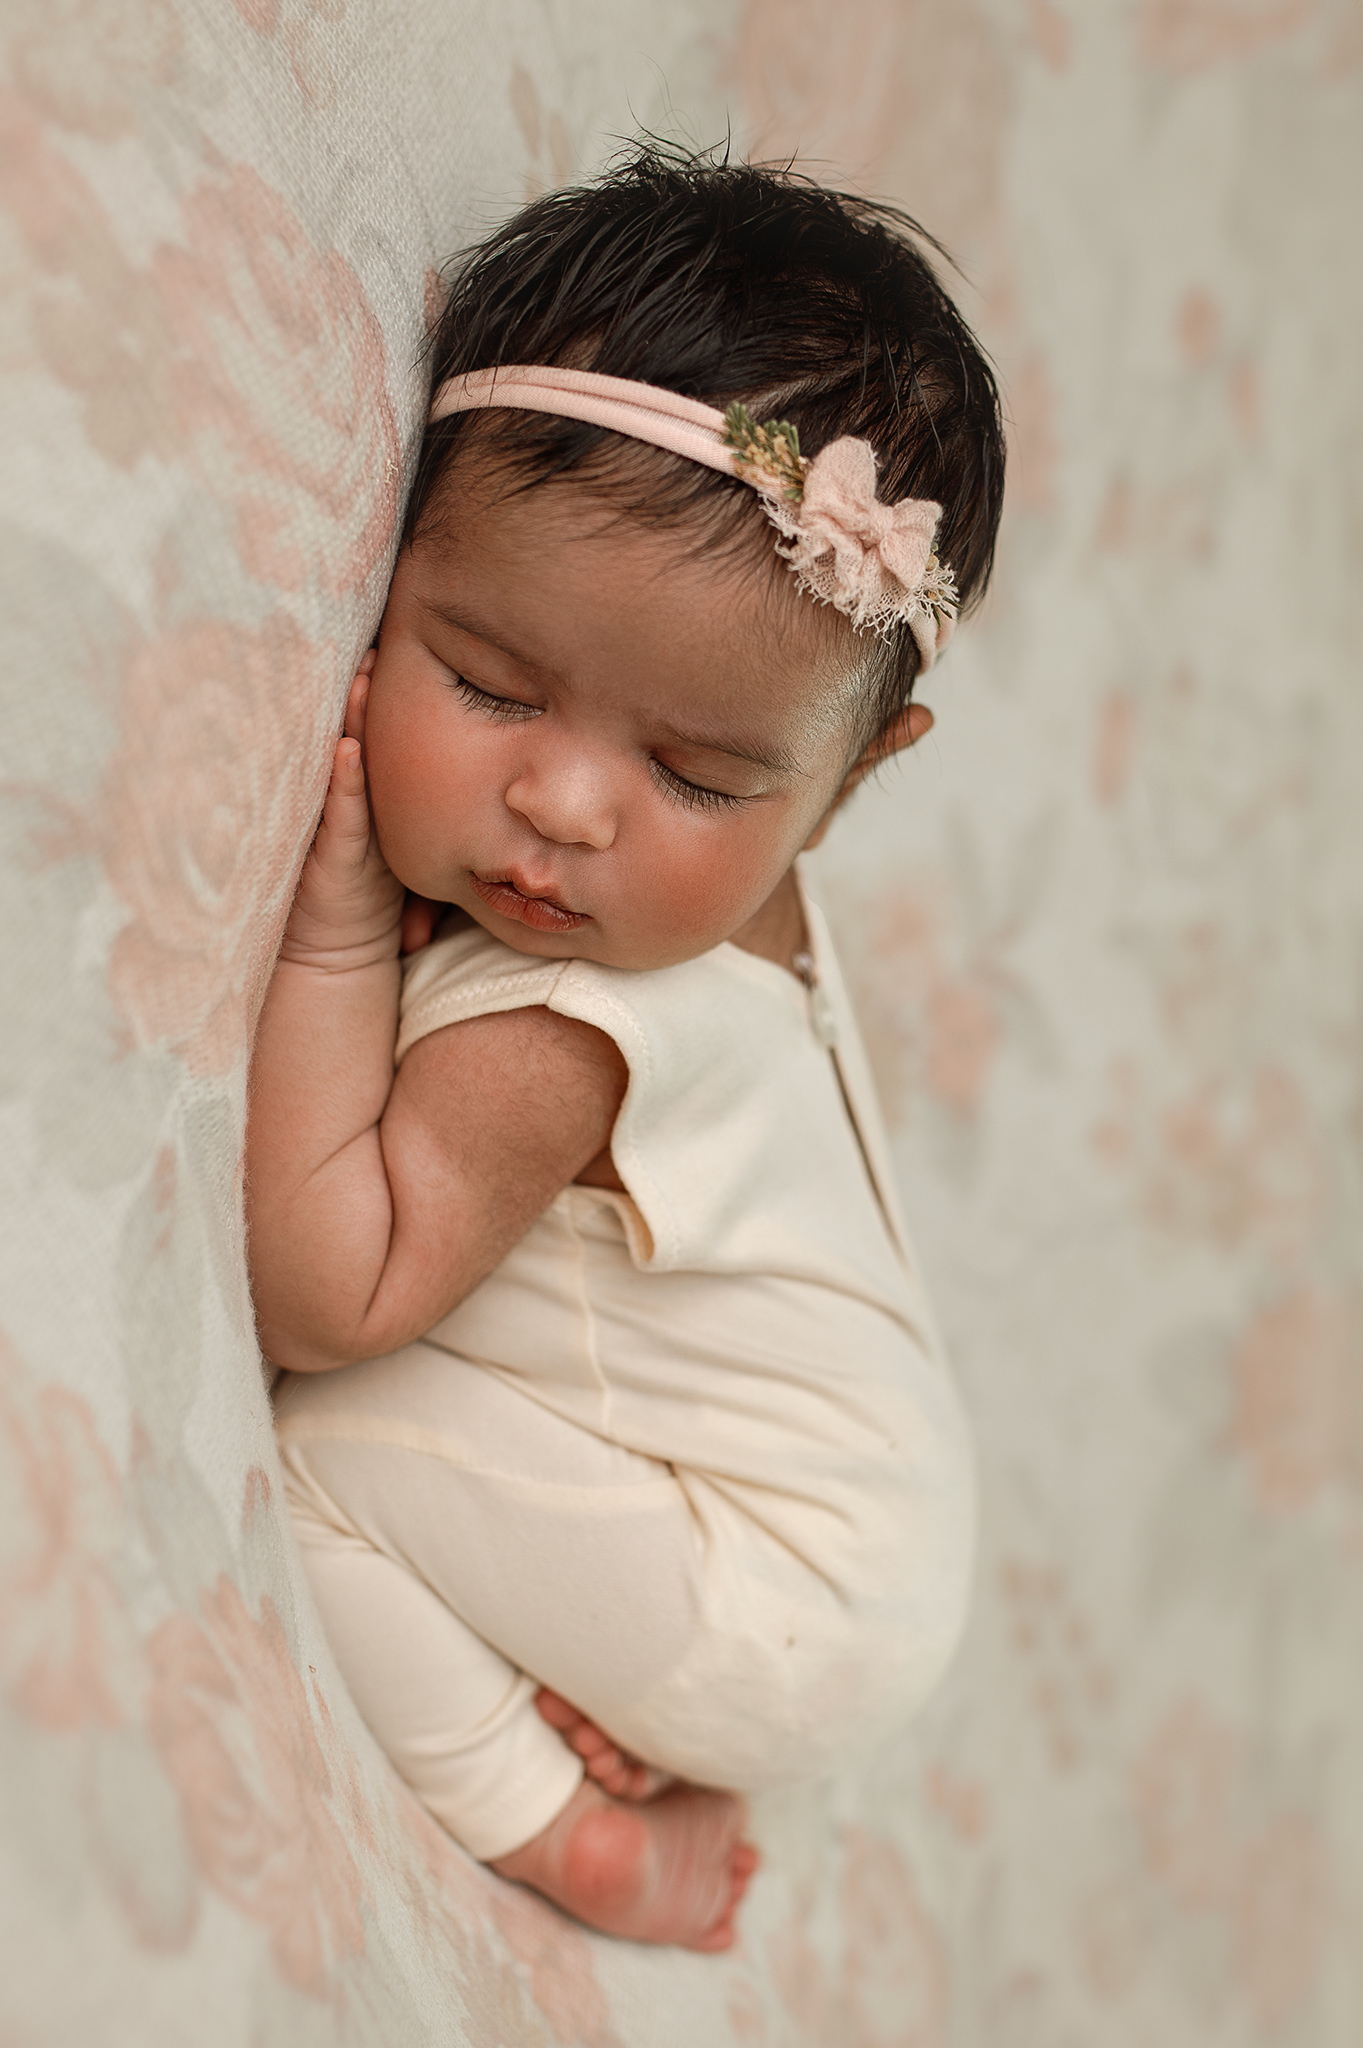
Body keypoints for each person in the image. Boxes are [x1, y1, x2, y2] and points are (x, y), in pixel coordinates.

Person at [247, 145, 1005, 1952]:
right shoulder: (725, 904)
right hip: (854, 1550)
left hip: (779, 1583)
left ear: (847, 786)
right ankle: (632, 1647)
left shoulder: (566, 1029)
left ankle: (577, 1835)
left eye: (698, 776)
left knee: (322, 1449)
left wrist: (337, 940)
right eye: (489, 684)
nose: (564, 807)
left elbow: (322, 1297)